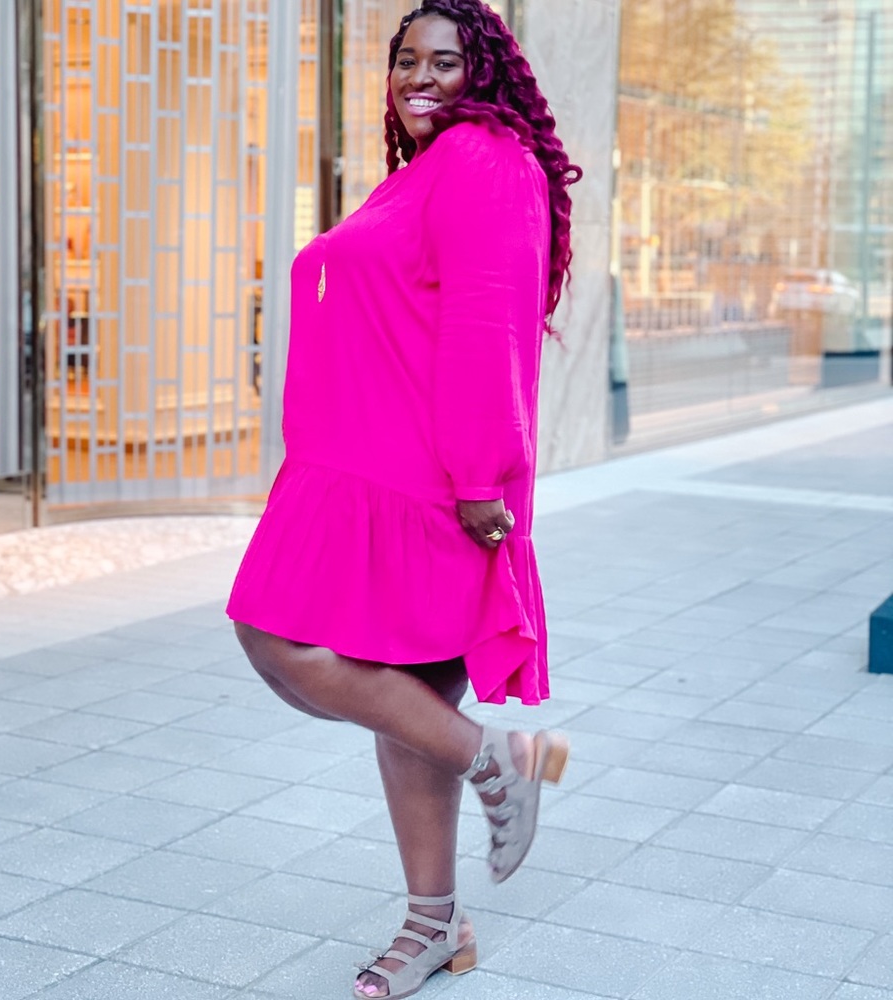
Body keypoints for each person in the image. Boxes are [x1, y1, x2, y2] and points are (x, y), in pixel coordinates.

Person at [227, 2, 581, 997]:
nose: (420, 76)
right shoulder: (422, 172)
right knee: (401, 700)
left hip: (424, 482)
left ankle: (497, 763)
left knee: (275, 634)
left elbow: (485, 327)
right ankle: (436, 921)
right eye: (405, 60)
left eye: (445, 60)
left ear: (487, 76)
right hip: (357, 472)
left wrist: (478, 480)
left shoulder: (484, 158)